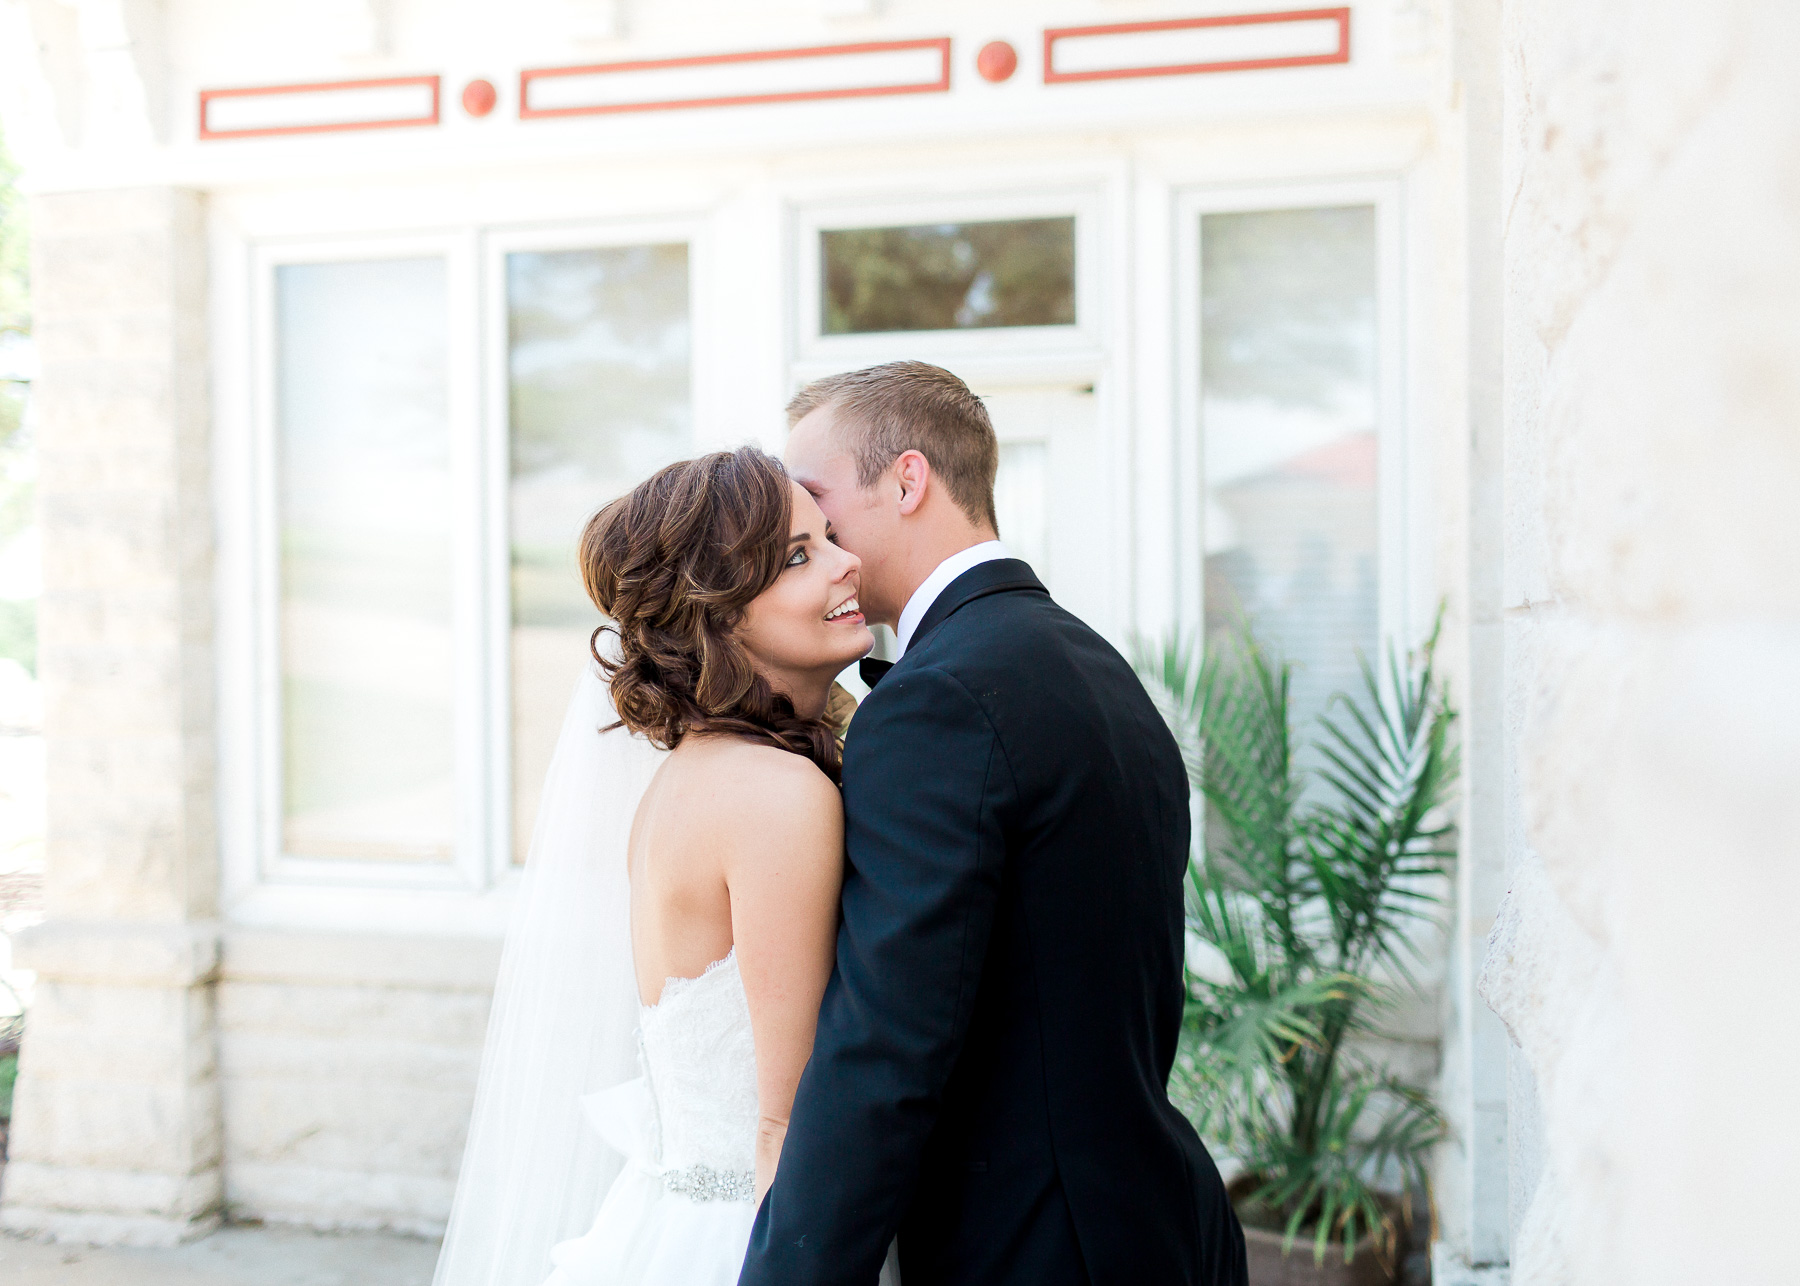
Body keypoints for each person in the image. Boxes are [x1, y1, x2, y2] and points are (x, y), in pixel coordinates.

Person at [740, 361, 1246, 1285]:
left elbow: (885, 1048)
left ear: (907, 480)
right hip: (1158, 1221)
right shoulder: (1096, 666)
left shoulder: (939, 701)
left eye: (817, 504)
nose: (815, 537)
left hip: (1035, 1249)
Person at [432, 446, 897, 1286]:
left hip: (670, 1220)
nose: (846, 561)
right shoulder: (772, 794)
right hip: (752, 1236)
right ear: (717, 614)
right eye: (798, 556)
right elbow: (792, 1118)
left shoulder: (697, 771)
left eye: (829, 536)